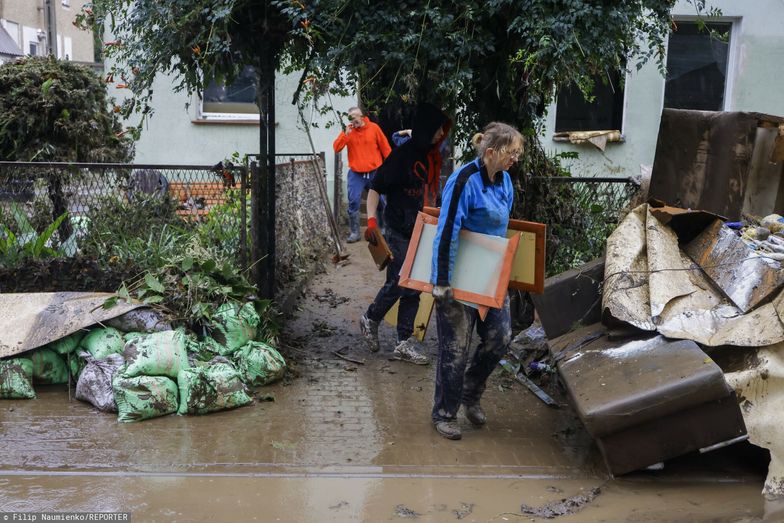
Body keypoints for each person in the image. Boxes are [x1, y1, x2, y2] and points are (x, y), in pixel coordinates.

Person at [429, 122, 524, 440]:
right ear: (492, 152)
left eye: (517, 153)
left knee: (501, 338)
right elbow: (447, 230)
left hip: (489, 274)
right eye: (511, 153)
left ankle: (470, 391)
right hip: (457, 277)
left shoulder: (505, 181)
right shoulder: (464, 180)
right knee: (455, 347)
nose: (515, 158)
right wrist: (441, 281)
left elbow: (502, 230)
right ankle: (445, 413)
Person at [359, 102, 451, 365]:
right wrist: (373, 222)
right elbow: (375, 188)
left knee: (415, 288)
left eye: (441, 132)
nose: (439, 136)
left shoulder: (434, 157)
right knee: (400, 281)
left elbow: (433, 194)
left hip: (423, 230)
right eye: (436, 131)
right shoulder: (401, 158)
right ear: (424, 130)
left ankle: (403, 342)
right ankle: (371, 317)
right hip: (398, 228)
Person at [333, 107, 392, 243]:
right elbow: (336, 148)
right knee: (353, 201)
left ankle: (382, 229)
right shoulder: (348, 131)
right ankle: (355, 232)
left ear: (362, 116)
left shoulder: (374, 128)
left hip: (375, 172)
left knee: (381, 202)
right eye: (350, 118)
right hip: (356, 173)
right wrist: (345, 134)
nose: (353, 120)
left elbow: (386, 148)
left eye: (354, 117)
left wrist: (388, 168)